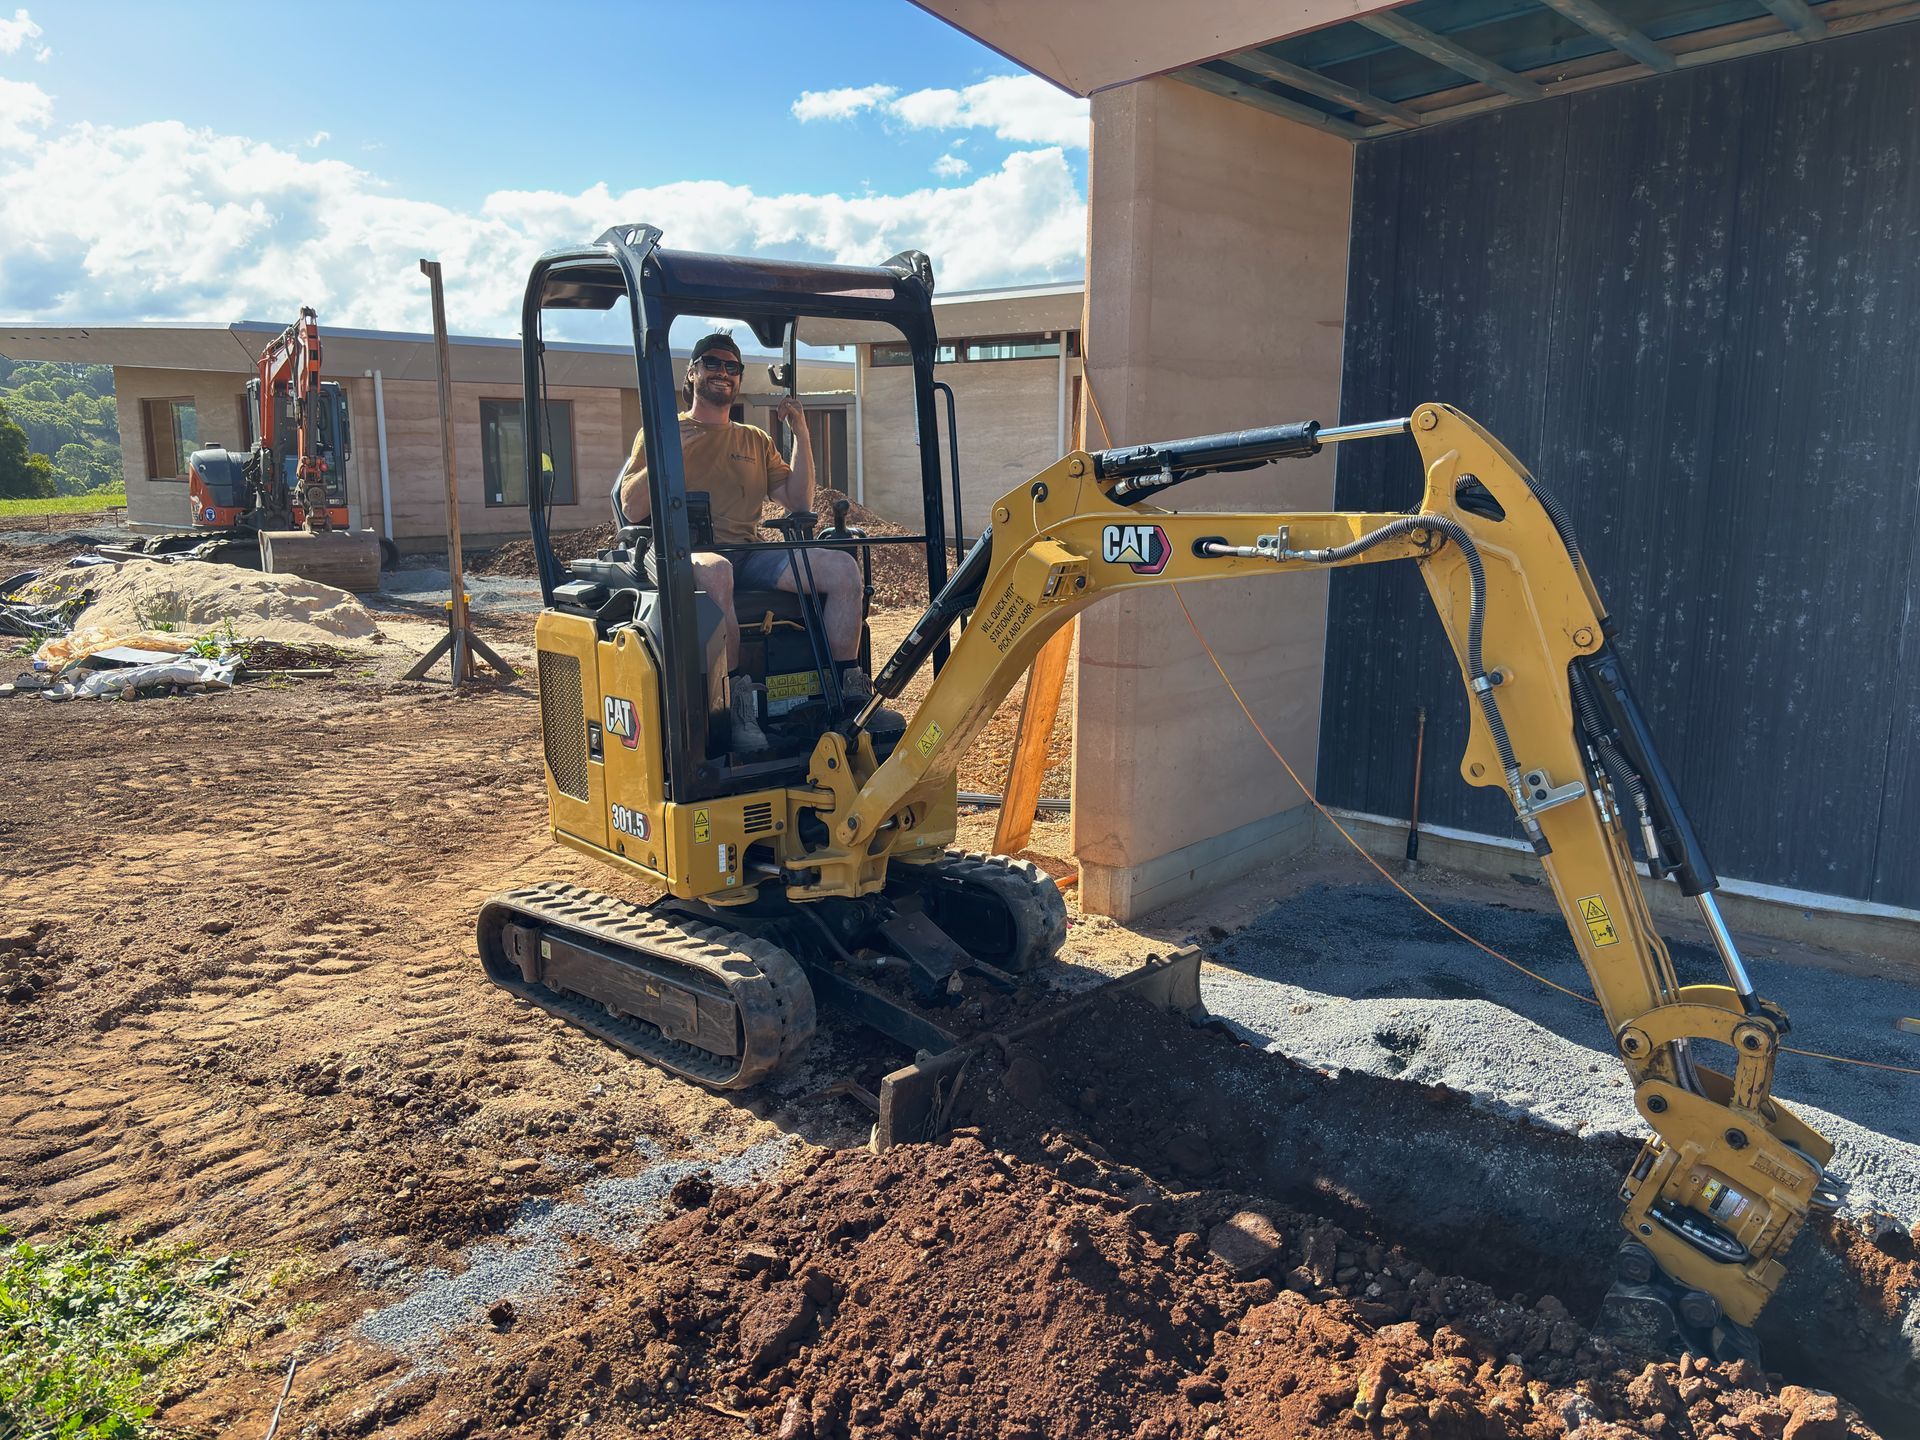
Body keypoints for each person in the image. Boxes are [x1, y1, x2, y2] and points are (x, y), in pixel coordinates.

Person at [616, 332, 899, 751]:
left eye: (733, 367)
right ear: (692, 373)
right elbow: (631, 507)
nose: (724, 373)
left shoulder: (754, 439)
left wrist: (801, 433)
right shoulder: (664, 431)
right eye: (713, 363)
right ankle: (738, 706)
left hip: (750, 552)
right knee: (718, 571)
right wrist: (665, 452)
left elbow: (798, 499)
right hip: (684, 554)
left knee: (843, 569)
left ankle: (847, 695)